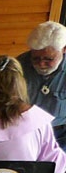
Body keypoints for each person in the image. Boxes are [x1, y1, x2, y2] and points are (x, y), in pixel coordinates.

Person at [18, 21, 66, 149]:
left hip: (61, 135)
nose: (41, 64)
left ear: (64, 49)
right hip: (25, 132)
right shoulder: (18, 66)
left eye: (48, 59)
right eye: (35, 58)